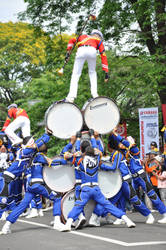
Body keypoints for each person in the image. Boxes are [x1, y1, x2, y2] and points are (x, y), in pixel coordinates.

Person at [60, 130, 136, 232]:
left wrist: (77, 139)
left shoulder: (79, 160)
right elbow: (98, 149)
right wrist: (93, 137)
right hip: (96, 189)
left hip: (86, 189)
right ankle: (127, 220)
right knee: (108, 206)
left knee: (78, 205)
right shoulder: (97, 159)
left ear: (83, 151)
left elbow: (68, 153)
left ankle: (68, 224)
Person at [110, 131, 166, 223]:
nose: (123, 143)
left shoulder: (134, 149)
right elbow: (119, 146)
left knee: (151, 195)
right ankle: (121, 216)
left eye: (126, 141)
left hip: (141, 176)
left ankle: (163, 214)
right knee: (129, 198)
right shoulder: (123, 153)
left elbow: (125, 143)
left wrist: (116, 134)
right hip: (132, 178)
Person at [65, 30, 109, 103]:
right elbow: (103, 55)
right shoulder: (98, 40)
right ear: (99, 36)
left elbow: (71, 40)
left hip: (81, 50)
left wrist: (68, 52)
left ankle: (71, 97)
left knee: (76, 74)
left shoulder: (82, 36)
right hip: (92, 51)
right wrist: (106, 71)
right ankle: (95, 94)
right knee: (92, 73)